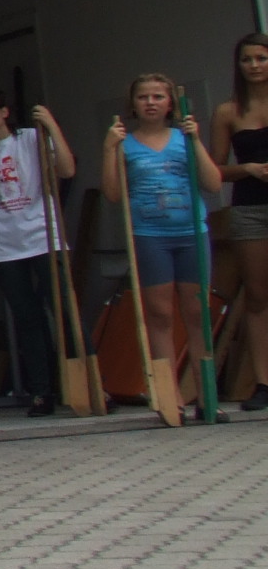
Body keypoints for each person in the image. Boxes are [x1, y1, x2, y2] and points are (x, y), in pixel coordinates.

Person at [104, 72, 220, 421]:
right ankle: (171, 401)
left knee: (198, 314)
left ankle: (207, 398)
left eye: (158, 96)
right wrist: (108, 149)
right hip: (150, 236)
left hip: (191, 233)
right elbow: (112, 194)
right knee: (159, 314)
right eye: (143, 97)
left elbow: (213, 183)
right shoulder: (125, 144)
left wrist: (195, 140)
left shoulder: (184, 138)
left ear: (171, 103)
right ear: (133, 104)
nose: (151, 103)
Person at [0, 86, 79, 418]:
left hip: (44, 236)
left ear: (4, 112)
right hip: (5, 245)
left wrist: (52, 125)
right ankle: (42, 391)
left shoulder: (31, 138)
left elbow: (67, 170)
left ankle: (89, 382)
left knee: (65, 310)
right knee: (28, 318)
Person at [207, 34, 268, 411]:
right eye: (247, 60)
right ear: (238, 65)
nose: (255, 66)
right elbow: (213, 170)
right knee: (258, 296)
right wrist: (247, 169)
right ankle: (264, 382)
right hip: (250, 210)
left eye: (261, 58)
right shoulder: (227, 112)